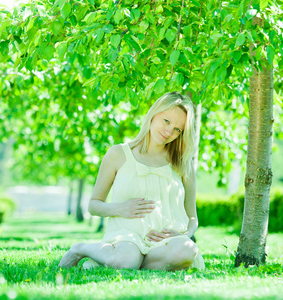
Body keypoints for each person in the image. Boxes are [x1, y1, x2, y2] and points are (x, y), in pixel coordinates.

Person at [58, 92, 205, 270]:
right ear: (154, 114)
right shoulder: (118, 154)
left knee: (187, 251)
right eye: (166, 121)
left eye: (177, 129)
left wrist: (185, 234)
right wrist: (120, 208)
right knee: (127, 257)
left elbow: (192, 217)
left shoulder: (183, 163)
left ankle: (126, 263)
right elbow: (94, 205)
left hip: (165, 243)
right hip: (126, 238)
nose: (169, 132)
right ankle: (80, 249)